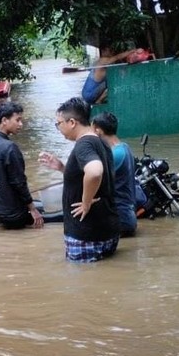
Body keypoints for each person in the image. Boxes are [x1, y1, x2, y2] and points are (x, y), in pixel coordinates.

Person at [39, 97, 120, 262]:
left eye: (59, 123)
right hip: (108, 230)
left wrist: (86, 202)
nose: (58, 128)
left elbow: (95, 172)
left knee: (82, 285)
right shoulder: (101, 142)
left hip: (85, 235)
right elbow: (98, 177)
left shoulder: (83, 145)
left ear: (72, 122)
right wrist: (63, 168)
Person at [0, 102, 44, 229]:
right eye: (18, 120)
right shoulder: (10, 148)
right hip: (15, 216)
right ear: (4, 120)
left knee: (34, 202)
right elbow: (19, 182)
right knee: (44, 210)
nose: (21, 124)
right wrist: (33, 210)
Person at [91, 112, 138, 237]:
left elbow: (93, 179)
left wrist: (62, 168)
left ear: (98, 130)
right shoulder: (124, 147)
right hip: (127, 215)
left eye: (92, 130)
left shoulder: (115, 155)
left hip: (120, 219)